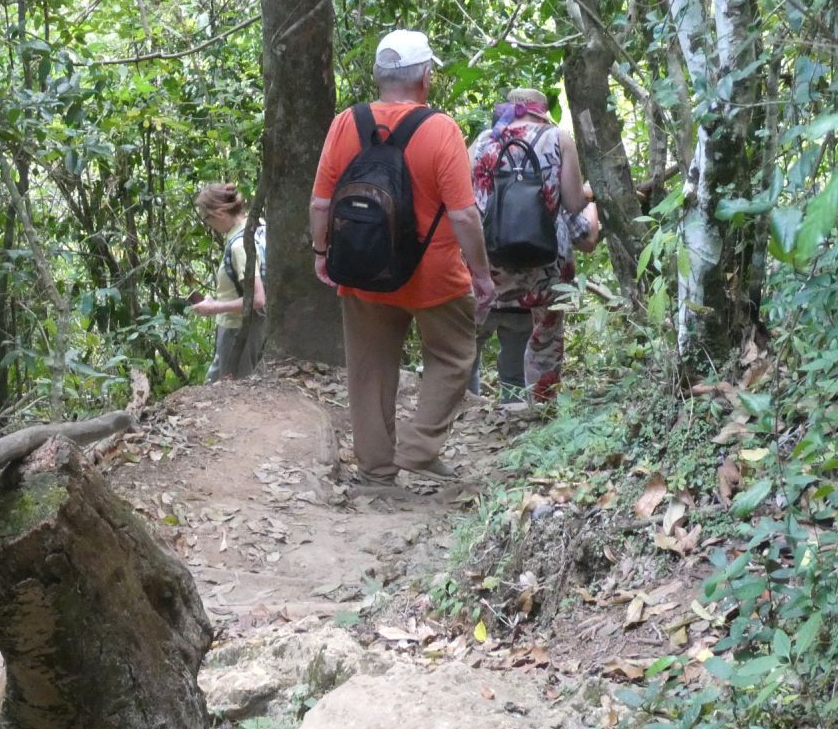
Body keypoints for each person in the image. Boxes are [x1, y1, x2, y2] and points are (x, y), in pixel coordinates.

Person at [310, 29, 496, 485]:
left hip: (361, 268)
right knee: (453, 356)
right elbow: (465, 215)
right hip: (433, 275)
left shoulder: (345, 124)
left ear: (377, 76)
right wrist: (483, 275)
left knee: (369, 368)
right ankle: (418, 447)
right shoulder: (440, 129)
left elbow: (320, 204)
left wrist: (321, 252)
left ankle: (376, 467)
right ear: (426, 78)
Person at [468, 88, 598, 406]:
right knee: (547, 336)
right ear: (541, 112)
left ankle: (461, 407)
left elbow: (468, 205)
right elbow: (572, 203)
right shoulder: (558, 138)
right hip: (545, 264)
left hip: (490, 262)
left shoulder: (482, 142)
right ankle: (539, 409)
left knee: (466, 336)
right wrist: (592, 196)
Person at [192, 183, 266, 382]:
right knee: (215, 383)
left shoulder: (240, 246)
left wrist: (215, 307)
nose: (208, 224)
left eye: (207, 218)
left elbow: (257, 300)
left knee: (231, 391)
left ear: (220, 213)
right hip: (249, 328)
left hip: (238, 330)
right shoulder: (258, 225)